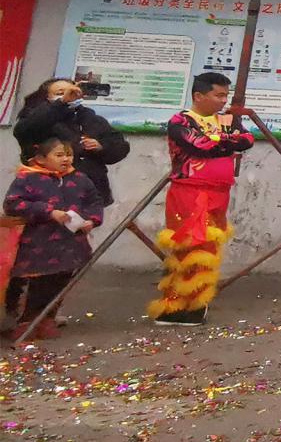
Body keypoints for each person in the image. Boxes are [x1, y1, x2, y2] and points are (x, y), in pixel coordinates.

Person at [151, 72, 255, 326]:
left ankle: (198, 302)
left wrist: (221, 139)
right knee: (188, 244)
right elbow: (200, 146)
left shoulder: (227, 119)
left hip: (219, 191)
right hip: (190, 190)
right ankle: (173, 305)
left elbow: (247, 140)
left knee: (210, 246)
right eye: (218, 95)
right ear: (199, 96)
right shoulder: (181, 121)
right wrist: (226, 141)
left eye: (225, 95)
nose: (223, 101)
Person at [5, 134, 104, 338]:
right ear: (40, 158)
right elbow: (13, 204)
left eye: (68, 155)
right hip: (37, 245)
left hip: (71, 244)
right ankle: (27, 321)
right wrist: (48, 211)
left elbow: (94, 202)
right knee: (38, 284)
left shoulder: (79, 179)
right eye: (59, 155)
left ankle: (47, 318)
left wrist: (91, 220)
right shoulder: (28, 177)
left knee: (60, 282)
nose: (65, 159)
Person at [12, 78, 129, 207]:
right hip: (49, 193)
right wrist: (61, 103)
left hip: (91, 193)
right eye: (60, 92)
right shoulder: (37, 116)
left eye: (72, 92)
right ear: (46, 97)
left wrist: (101, 147)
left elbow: (119, 145)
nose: (68, 95)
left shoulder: (88, 117)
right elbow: (24, 130)